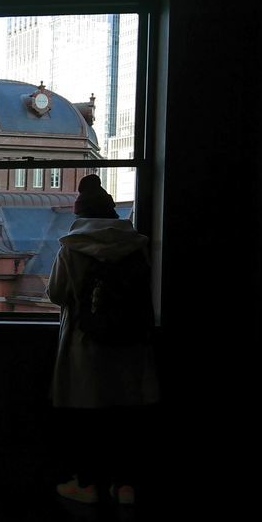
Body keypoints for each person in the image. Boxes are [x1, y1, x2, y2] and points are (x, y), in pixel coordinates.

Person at [46, 175, 158, 505]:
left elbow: (56, 293)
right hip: (131, 342)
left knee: (87, 415)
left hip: (85, 342)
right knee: (125, 416)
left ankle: (86, 484)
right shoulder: (137, 245)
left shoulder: (72, 247)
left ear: (80, 214)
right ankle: (124, 486)